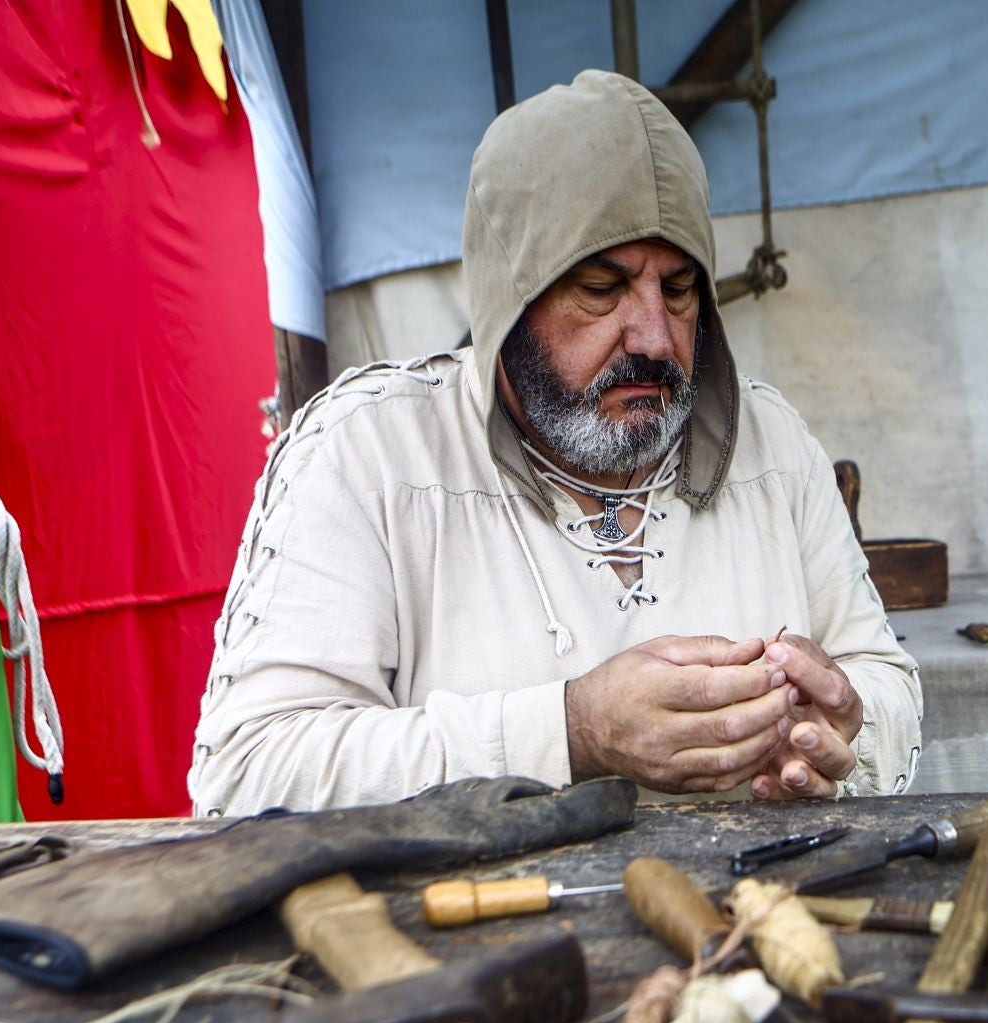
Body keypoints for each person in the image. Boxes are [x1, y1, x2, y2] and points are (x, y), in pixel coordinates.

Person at [188, 71, 922, 816]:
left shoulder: (773, 445)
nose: (655, 337)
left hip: (751, 919)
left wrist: (842, 731)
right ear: (509, 298)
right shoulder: (367, 457)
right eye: (602, 289)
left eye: (678, 289)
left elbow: (887, 686)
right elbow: (248, 774)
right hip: (467, 930)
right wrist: (568, 732)